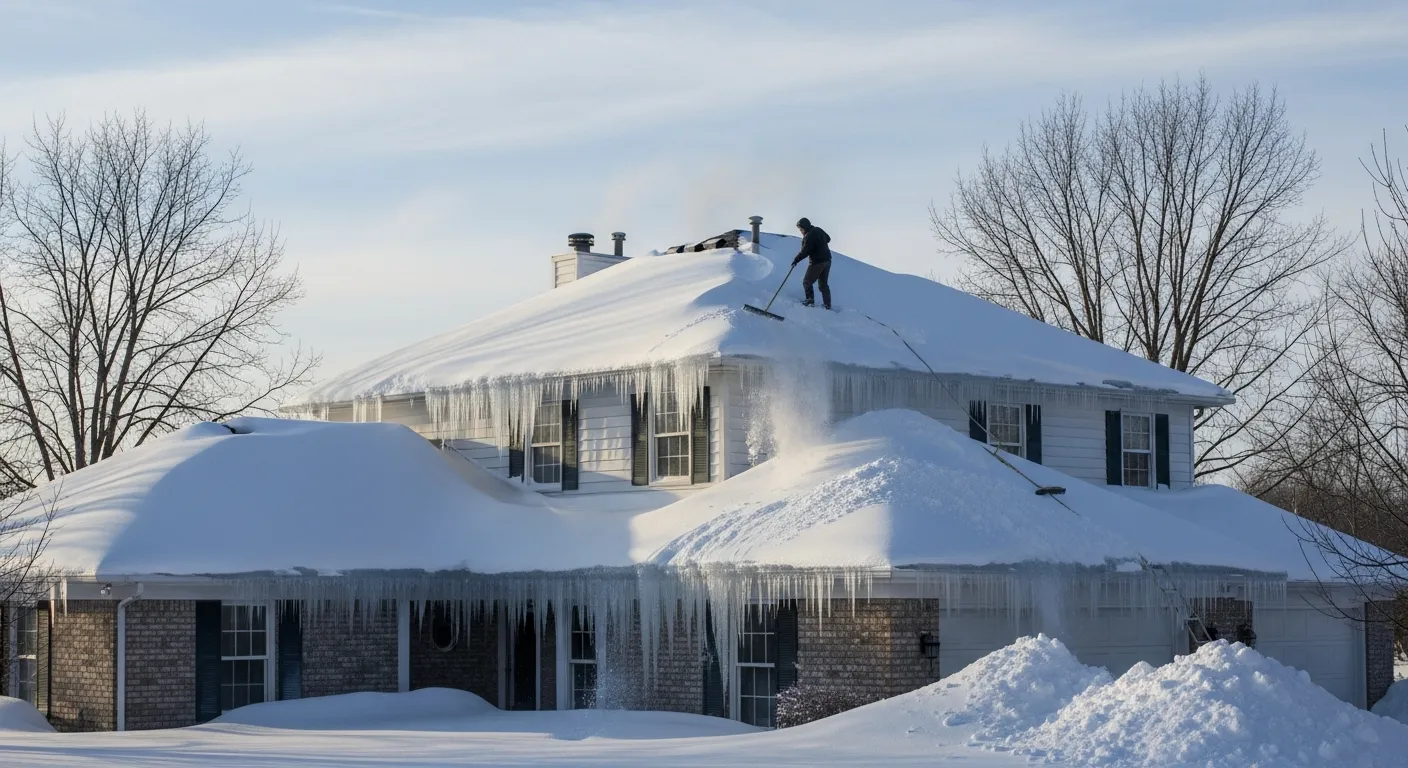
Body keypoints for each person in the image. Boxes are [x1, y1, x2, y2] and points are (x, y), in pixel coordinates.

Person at [791, 217, 832, 309]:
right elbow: (828, 239)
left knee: (807, 282)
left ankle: (809, 301)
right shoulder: (818, 230)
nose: (801, 231)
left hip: (817, 262)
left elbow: (805, 251)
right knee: (823, 285)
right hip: (827, 260)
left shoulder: (809, 236)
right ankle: (827, 305)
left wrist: (796, 260)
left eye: (801, 229)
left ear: (805, 227)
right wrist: (820, 242)